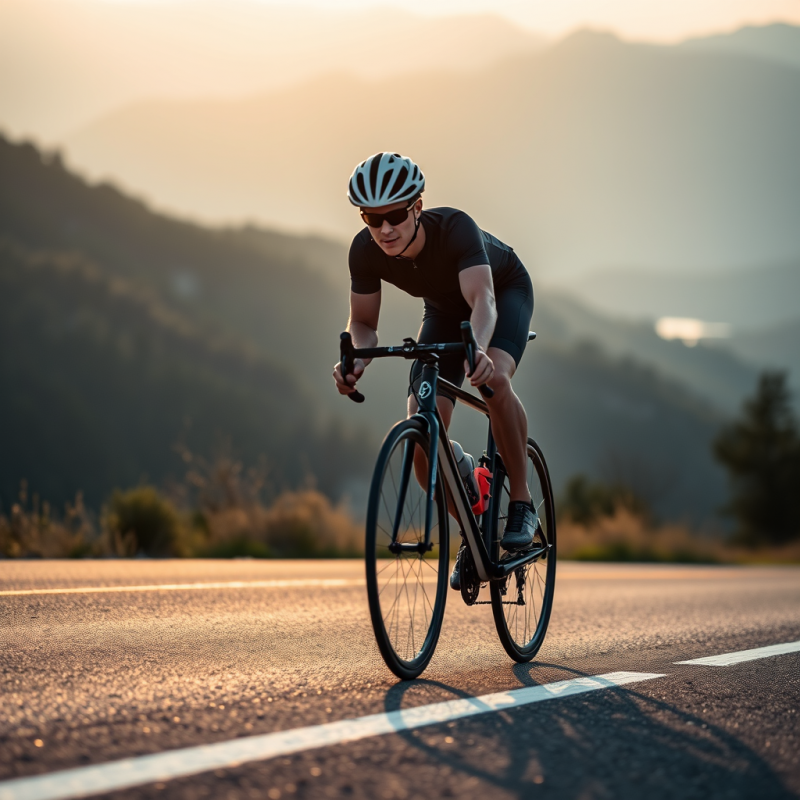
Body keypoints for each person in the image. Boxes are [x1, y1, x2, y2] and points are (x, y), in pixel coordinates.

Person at [332, 152, 537, 589]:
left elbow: (484, 301)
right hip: (443, 311)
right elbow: (364, 325)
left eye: (396, 215)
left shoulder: (455, 228)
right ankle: (471, 507)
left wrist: (479, 350)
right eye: (372, 218)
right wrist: (356, 362)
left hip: (501, 295)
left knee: (494, 379)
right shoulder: (365, 251)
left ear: (418, 207)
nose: (385, 229)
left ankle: (520, 499)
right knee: (422, 432)